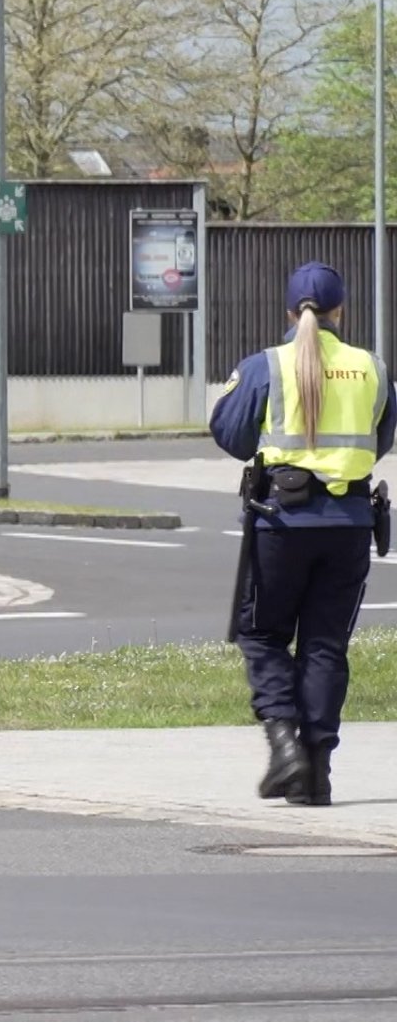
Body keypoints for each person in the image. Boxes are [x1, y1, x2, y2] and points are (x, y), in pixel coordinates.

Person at [209, 260, 396, 806]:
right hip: (350, 525)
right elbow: (378, 439)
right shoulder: (373, 369)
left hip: (281, 522)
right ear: (342, 311)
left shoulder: (268, 365)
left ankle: (284, 744)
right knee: (324, 646)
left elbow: (231, 432)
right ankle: (316, 774)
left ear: (290, 312)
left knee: (263, 635)